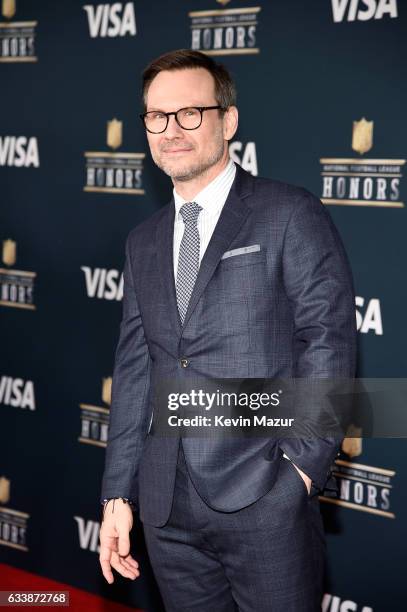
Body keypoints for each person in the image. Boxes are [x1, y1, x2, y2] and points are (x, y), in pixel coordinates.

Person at [99, 49, 357, 611]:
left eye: (191, 113)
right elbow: (136, 368)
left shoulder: (288, 213)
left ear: (228, 121)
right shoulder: (143, 240)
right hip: (165, 507)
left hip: (265, 494)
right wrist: (119, 494)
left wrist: (301, 473)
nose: (172, 130)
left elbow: (329, 343)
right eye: (157, 116)